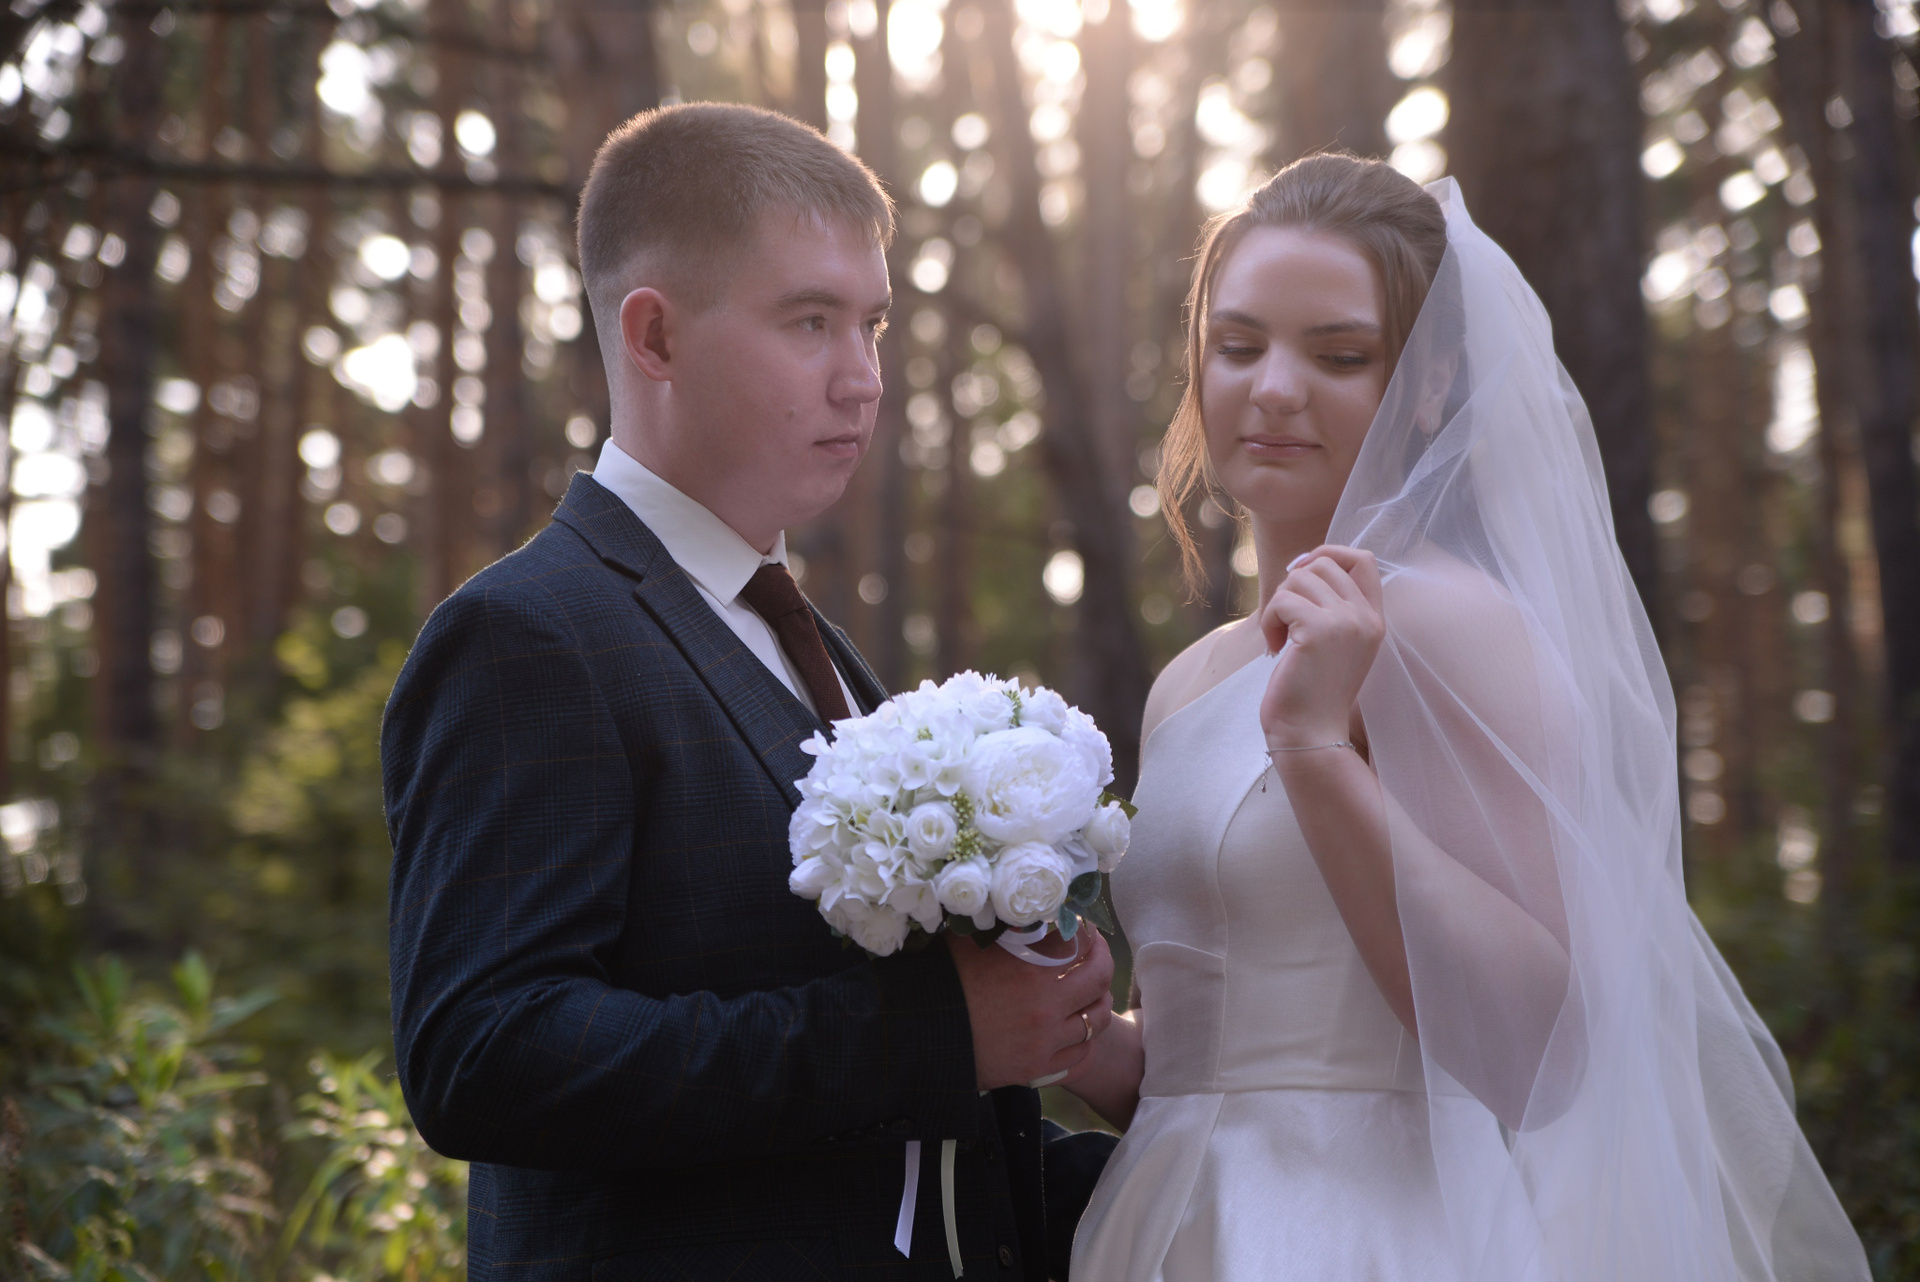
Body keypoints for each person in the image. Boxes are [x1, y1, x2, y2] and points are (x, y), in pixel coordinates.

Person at [1059, 154, 1870, 1279]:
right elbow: (1223, 1056)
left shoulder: (1448, 627)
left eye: (1339, 354)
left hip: (1365, 1240)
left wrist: (1313, 750)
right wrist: (1085, 1039)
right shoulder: (1190, 680)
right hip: (1165, 1227)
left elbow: (1539, 1057)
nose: (1275, 388)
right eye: (1239, 345)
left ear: (1431, 381)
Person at [382, 103, 1117, 1282]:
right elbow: (485, 1053)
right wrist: (933, 1033)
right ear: (656, 336)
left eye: (873, 325)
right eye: (810, 321)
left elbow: (897, 1151)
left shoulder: (810, 642)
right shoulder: (529, 634)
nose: (863, 379)